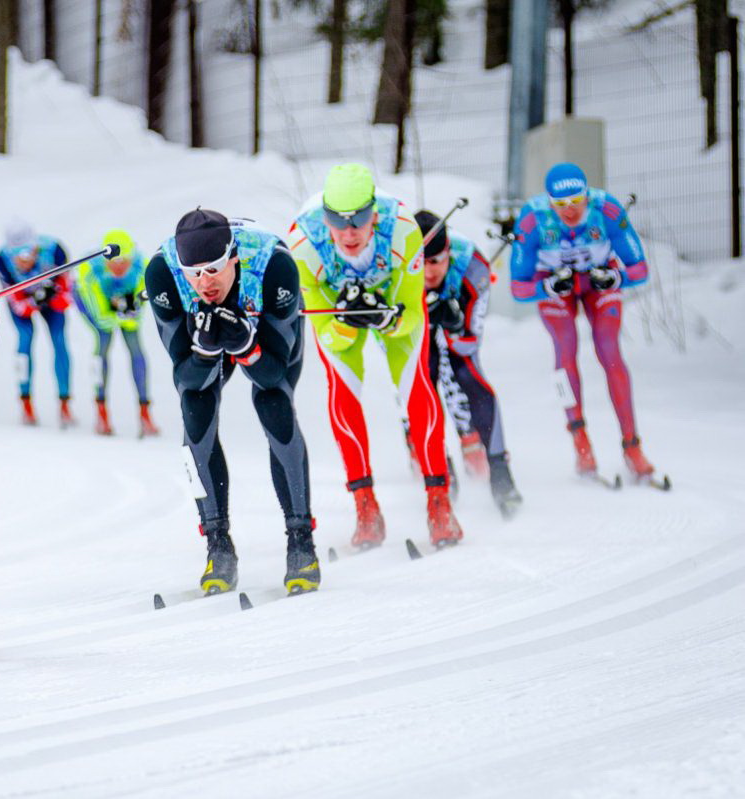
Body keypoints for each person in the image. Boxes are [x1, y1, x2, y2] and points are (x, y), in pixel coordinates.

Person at [286, 163, 464, 550]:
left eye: (359, 220)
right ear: (324, 217)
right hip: (337, 303)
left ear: (375, 214)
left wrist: (386, 318)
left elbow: (413, 312)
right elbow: (325, 332)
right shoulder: (303, 242)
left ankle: (439, 502)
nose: (349, 232)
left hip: (392, 296)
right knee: (342, 393)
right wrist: (347, 325)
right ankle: (365, 505)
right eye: (337, 220)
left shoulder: (401, 229)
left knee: (418, 388)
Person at [144, 208, 319, 595]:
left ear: (234, 257)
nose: (204, 282)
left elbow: (272, 374)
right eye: (195, 273)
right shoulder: (162, 274)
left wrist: (246, 345)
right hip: (202, 333)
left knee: (274, 405)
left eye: (214, 269)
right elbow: (185, 379)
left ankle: (301, 540)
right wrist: (206, 354)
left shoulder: (274, 265)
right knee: (195, 410)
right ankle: (218, 545)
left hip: (263, 331)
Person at [510, 162, 657, 482]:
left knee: (610, 352)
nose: (570, 211)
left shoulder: (606, 209)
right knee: (565, 352)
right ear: (549, 202)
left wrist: (615, 276)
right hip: (555, 286)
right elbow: (518, 288)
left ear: (587, 196)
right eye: (560, 205)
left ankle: (632, 446)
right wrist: (546, 287)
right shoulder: (534, 219)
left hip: (597, 284)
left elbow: (640, 269)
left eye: (577, 202)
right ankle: (580, 442)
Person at [414, 209, 523, 518]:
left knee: (468, 374)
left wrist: (453, 321)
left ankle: (501, 473)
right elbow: (390, 341)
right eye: (421, 263)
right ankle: (438, 469)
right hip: (415, 324)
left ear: (448, 254)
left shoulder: (472, 266)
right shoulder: (396, 265)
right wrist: (422, 319)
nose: (428, 273)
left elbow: (470, 342)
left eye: (436, 262)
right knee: (421, 378)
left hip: (456, 318)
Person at [73, 229, 159, 437]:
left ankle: (145, 411)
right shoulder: (90, 272)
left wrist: (130, 310)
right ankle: (101, 411)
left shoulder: (142, 268)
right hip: (93, 302)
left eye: (124, 263)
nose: (119, 268)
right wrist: (121, 313)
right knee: (102, 345)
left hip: (121, 300)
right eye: (114, 263)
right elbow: (102, 318)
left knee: (135, 348)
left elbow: (135, 315)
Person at [0, 220, 74, 427]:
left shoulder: (55, 250)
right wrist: (34, 300)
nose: (22, 261)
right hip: (24, 299)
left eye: (27, 254)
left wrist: (50, 295)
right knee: (25, 339)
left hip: (51, 301)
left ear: (36, 247)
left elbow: (66, 298)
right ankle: (26, 402)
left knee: (59, 341)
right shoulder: (2, 259)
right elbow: (18, 305)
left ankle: (65, 402)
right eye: (17, 255)